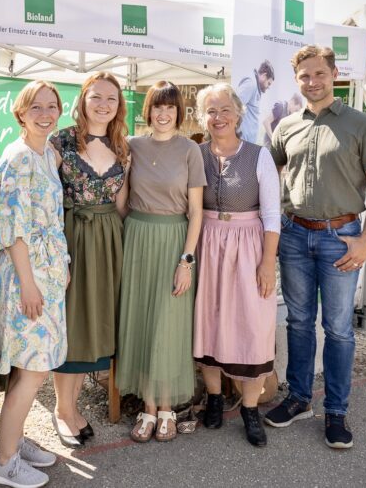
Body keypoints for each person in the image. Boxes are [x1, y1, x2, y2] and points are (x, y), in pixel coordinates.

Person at [267, 45, 366, 449]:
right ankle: (300, 399)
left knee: (338, 330)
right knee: (299, 323)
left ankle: (336, 411)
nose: (312, 82)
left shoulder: (362, 125)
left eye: (319, 73)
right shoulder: (285, 126)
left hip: (341, 238)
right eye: (304, 76)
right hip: (294, 235)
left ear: (334, 74)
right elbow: (269, 177)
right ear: (297, 79)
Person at [0, 80, 69, 488]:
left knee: (34, 365)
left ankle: (13, 441)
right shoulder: (18, 156)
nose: (44, 113)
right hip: (27, 274)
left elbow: (52, 219)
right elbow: (12, 226)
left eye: (51, 106)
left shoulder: (49, 154)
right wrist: (27, 284)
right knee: (32, 368)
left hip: (48, 271)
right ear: (20, 113)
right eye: (35, 106)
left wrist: (62, 264)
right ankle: (3, 462)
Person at [116, 81, 206, 443]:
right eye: (157, 107)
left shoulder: (190, 150)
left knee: (169, 324)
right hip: (137, 237)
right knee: (142, 320)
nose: (164, 113)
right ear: (148, 111)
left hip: (174, 241)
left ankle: (168, 407)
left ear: (179, 112)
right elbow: (122, 202)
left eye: (170, 107)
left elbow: (197, 213)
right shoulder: (132, 147)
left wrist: (186, 261)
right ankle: (148, 408)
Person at [192, 83, 280, 447]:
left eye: (225, 109)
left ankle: (249, 407)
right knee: (208, 319)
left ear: (239, 114)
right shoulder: (194, 154)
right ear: (202, 117)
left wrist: (266, 263)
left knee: (253, 324)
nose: (218, 117)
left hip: (248, 243)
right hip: (207, 242)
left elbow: (273, 214)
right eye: (211, 111)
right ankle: (214, 398)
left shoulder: (258, 155)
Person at [49, 72, 129, 448]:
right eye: (96, 97)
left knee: (94, 324)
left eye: (111, 99)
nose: (103, 105)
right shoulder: (60, 140)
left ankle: (72, 404)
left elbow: (123, 204)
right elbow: (46, 196)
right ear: (83, 99)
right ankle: (64, 409)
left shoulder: (122, 145)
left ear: (119, 106)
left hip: (109, 239)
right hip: (72, 236)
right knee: (72, 324)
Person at [236, 60, 275, 144]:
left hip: (247, 143)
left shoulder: (255, 87)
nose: (268, 87)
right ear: (264, 76)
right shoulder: (251, 84)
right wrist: (238, 135)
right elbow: (235, 107)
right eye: (269, 83)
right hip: (242, 142)